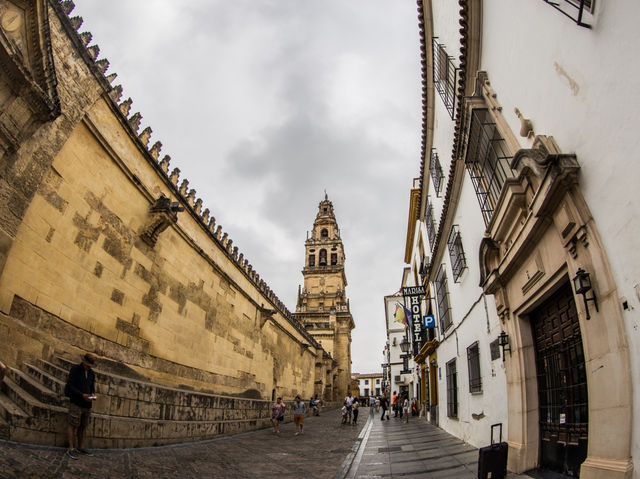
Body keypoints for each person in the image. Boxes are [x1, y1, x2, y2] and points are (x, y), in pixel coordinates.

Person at [65, 353, 97, 459]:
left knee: (82, 426)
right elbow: (70, 385)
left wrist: (92, 394)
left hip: (87, 403)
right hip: (76, 401)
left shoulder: (92, 374)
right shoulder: (75, 369)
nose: (88, 367)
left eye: (90, 366)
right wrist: (81, 395)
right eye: (87, 365)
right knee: (72, 424)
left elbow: (91, 387)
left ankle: (80, 446)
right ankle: (70, 448)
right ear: (83, 362)